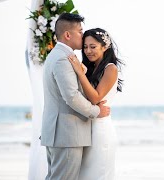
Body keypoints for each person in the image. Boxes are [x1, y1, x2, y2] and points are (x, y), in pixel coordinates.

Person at [41, 13, 110, 180]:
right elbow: (71, 97)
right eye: (80, 31)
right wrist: (96, 111)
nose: (83, 34)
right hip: (67, 135)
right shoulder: (62, 59)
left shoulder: (57, 56)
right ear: (67, 35)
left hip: (59, 133)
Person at [68, 28, 124, 180]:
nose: (88, 51)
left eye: (93, 47)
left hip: (101, 131)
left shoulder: (110, 68)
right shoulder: (90, 69)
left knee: (99, 174)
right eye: (85, 47)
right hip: (87, 128)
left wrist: (80, 73)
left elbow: (95, 98)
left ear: (104, 47)